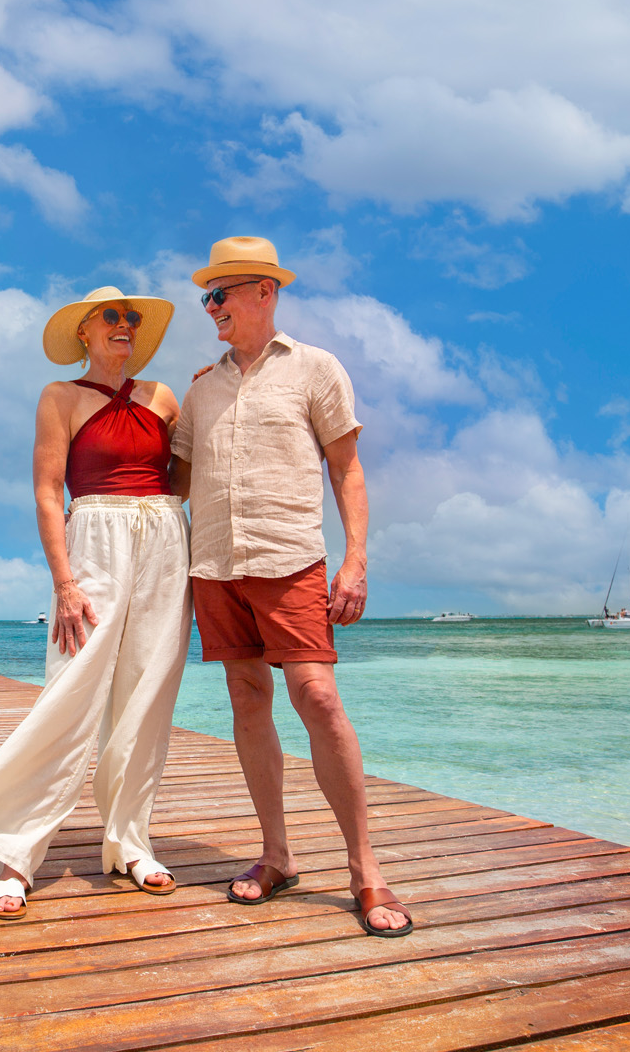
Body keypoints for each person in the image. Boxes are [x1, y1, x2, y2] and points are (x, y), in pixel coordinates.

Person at [171, 237, 412, 937]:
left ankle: (365, 870)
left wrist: (356, 559)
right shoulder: (200, 387)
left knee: (317, 695)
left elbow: (348, 471)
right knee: (247, 697)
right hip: (214, 564)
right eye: (206, 297)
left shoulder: (316, 369)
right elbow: (176, 482)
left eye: (221, 294)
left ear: (263, 293)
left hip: (290, 558)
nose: (210, 307)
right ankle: (276, 856)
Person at [0, 286, 191, 920]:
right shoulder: (60, 397)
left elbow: (181, 477)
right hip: (94, 542)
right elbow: (48, 493)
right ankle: (15, 854)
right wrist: (65, 582)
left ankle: (131, 843)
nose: (124, 325)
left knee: (148, 694)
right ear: (84, 330)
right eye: (112, 316)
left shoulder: (163, 398)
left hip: (163, 538)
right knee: (69, 691)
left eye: (132, 318)